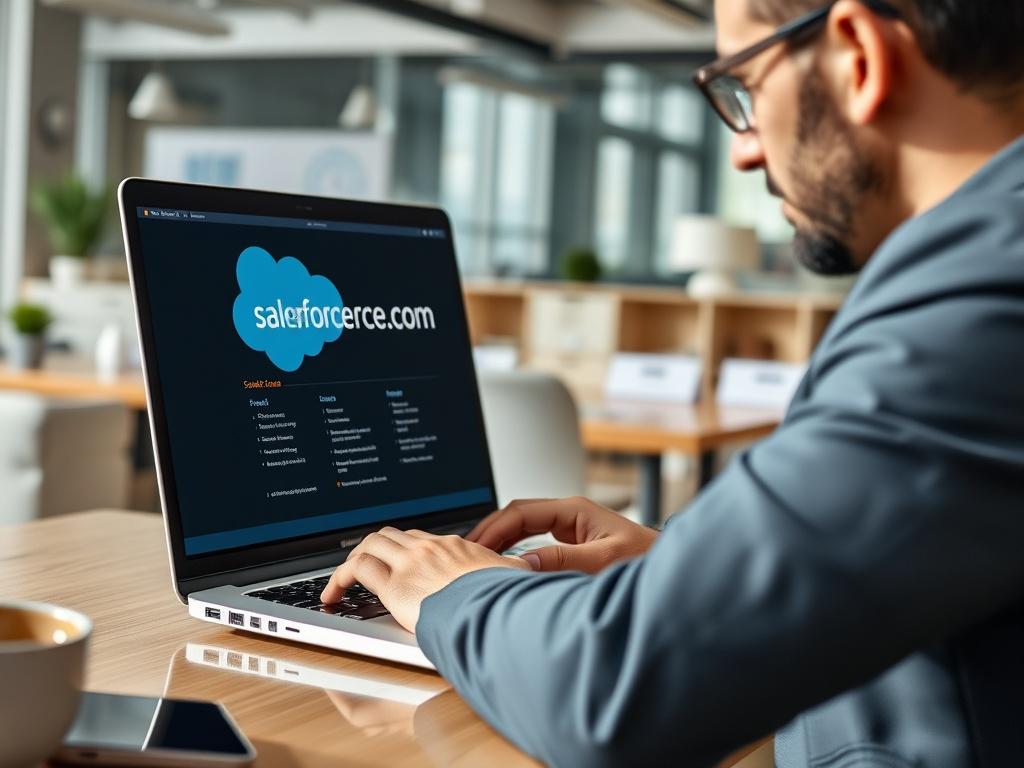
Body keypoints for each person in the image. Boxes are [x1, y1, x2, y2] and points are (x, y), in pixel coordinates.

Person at [321, 0, 1024, 764]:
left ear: (859, 54)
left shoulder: (981, 303)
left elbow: (614, 694)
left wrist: (451, 591)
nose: (744, 151)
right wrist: (685, 569)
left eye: (745, 85)